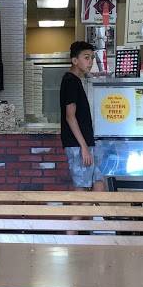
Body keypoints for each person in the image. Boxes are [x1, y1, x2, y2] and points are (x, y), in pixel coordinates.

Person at [61, 41, 104, 191]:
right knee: (82, 190)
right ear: (74, 60)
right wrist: (84, 147)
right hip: (78, 145)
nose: (90, 62)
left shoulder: (78, 80)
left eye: (92, 58)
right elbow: (70, 116)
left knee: (98, 182)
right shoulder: (70, 81)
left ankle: (97, 208)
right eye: (86, 58)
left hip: (87, 142)